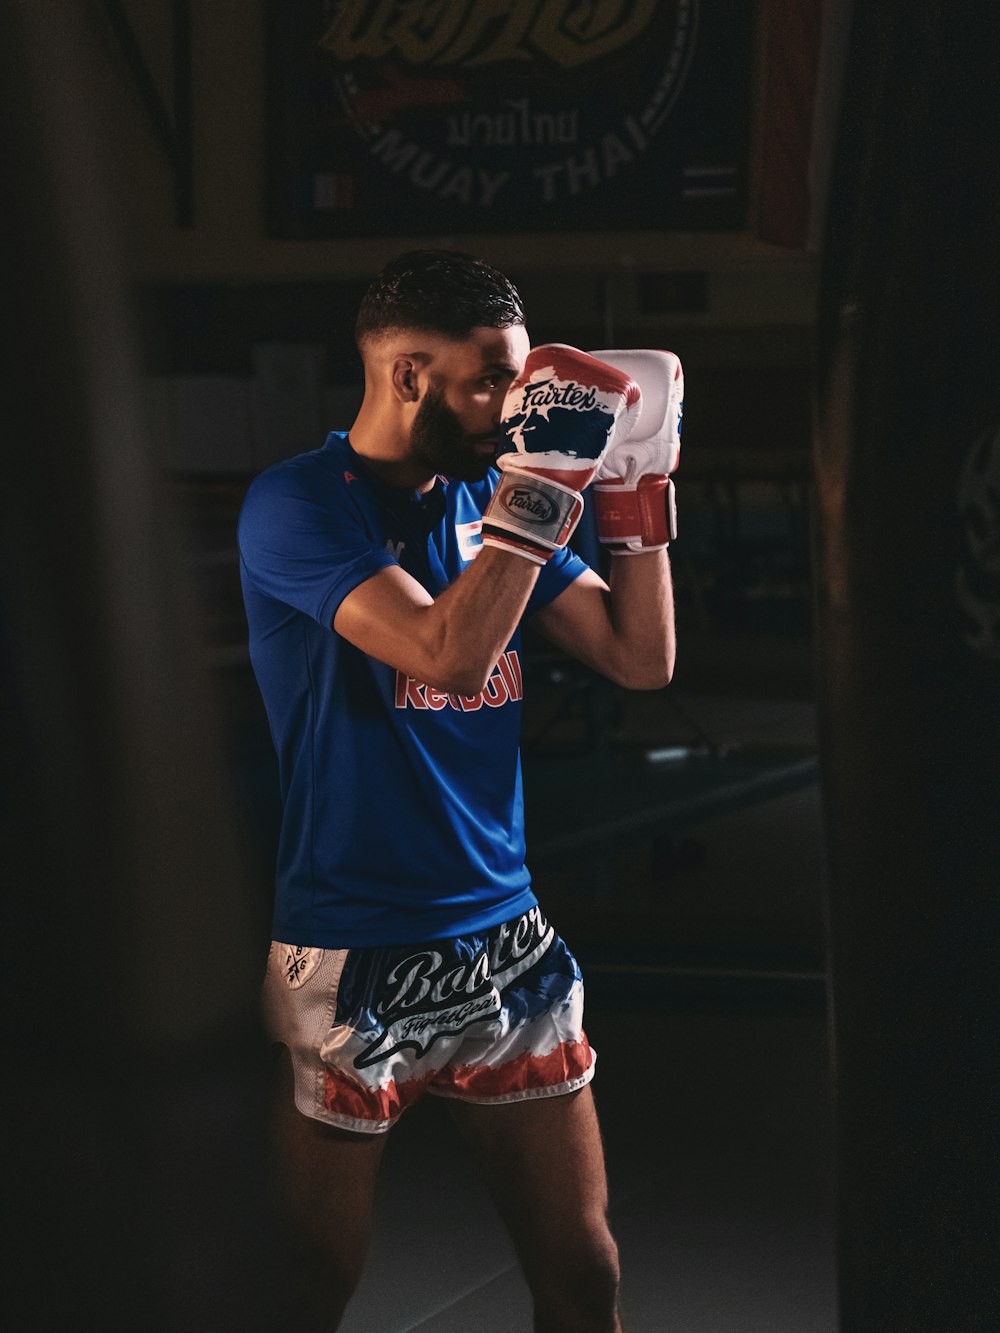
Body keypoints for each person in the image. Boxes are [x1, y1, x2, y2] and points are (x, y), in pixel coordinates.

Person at [237, 249, 681, 1332]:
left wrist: (635, 498)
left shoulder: (490, 494)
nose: (510, 406)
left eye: (518, 377)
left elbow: (639, 658)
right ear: (404, 377)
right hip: (351, 952)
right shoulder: (298, 505)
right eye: (486, 380)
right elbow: (446, 653)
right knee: (308, 1284)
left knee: (585, 1272)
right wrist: (540, 494)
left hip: (505, 947)